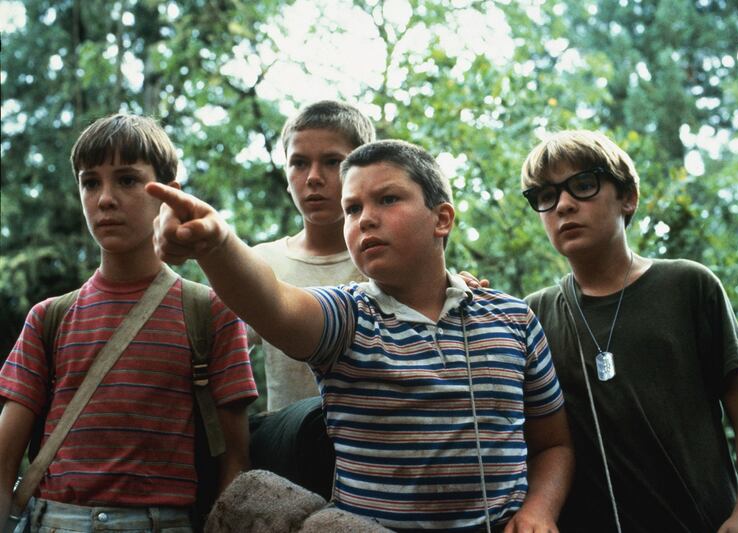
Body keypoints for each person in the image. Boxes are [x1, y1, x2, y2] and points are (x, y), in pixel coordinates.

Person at [147, 139, 574, 531]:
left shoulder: (514, 320)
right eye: (351, 209)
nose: (365, 218)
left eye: (387, 199)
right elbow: (275, 304)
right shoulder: (347, 316)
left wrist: (539, 509)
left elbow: (553, 444)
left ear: (441, 218)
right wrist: (216, 244)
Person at [0, 114, 258, 531]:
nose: (105, 199)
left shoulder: (210, 312)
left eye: (127, 180)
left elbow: (236, 462)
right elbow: (3, 462)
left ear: (169, 195)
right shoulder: (48, 318)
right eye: (90, 182)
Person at [520, 130, 738, 532]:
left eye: (583, 185)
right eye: (545, 196)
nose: (564, 205)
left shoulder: (688, 285)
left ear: (628, 197)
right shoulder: (531, 316)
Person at [246, 101, 373, 499]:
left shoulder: (389, 258)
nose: (313, 178)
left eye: (332, 162)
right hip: (289, 470)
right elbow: (218, 360)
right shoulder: (259, 263)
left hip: (377, 466)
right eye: (299, 163)